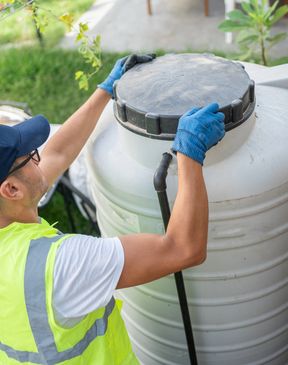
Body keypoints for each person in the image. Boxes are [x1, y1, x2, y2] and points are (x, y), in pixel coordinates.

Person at [0, 54, 225, 365]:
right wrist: (189, 155)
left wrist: (105, 90)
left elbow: (59, 153)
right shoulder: (60, 265)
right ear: (11, 190)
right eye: (30, 156)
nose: (40, 157)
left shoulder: (9, 218)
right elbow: (183, 249)